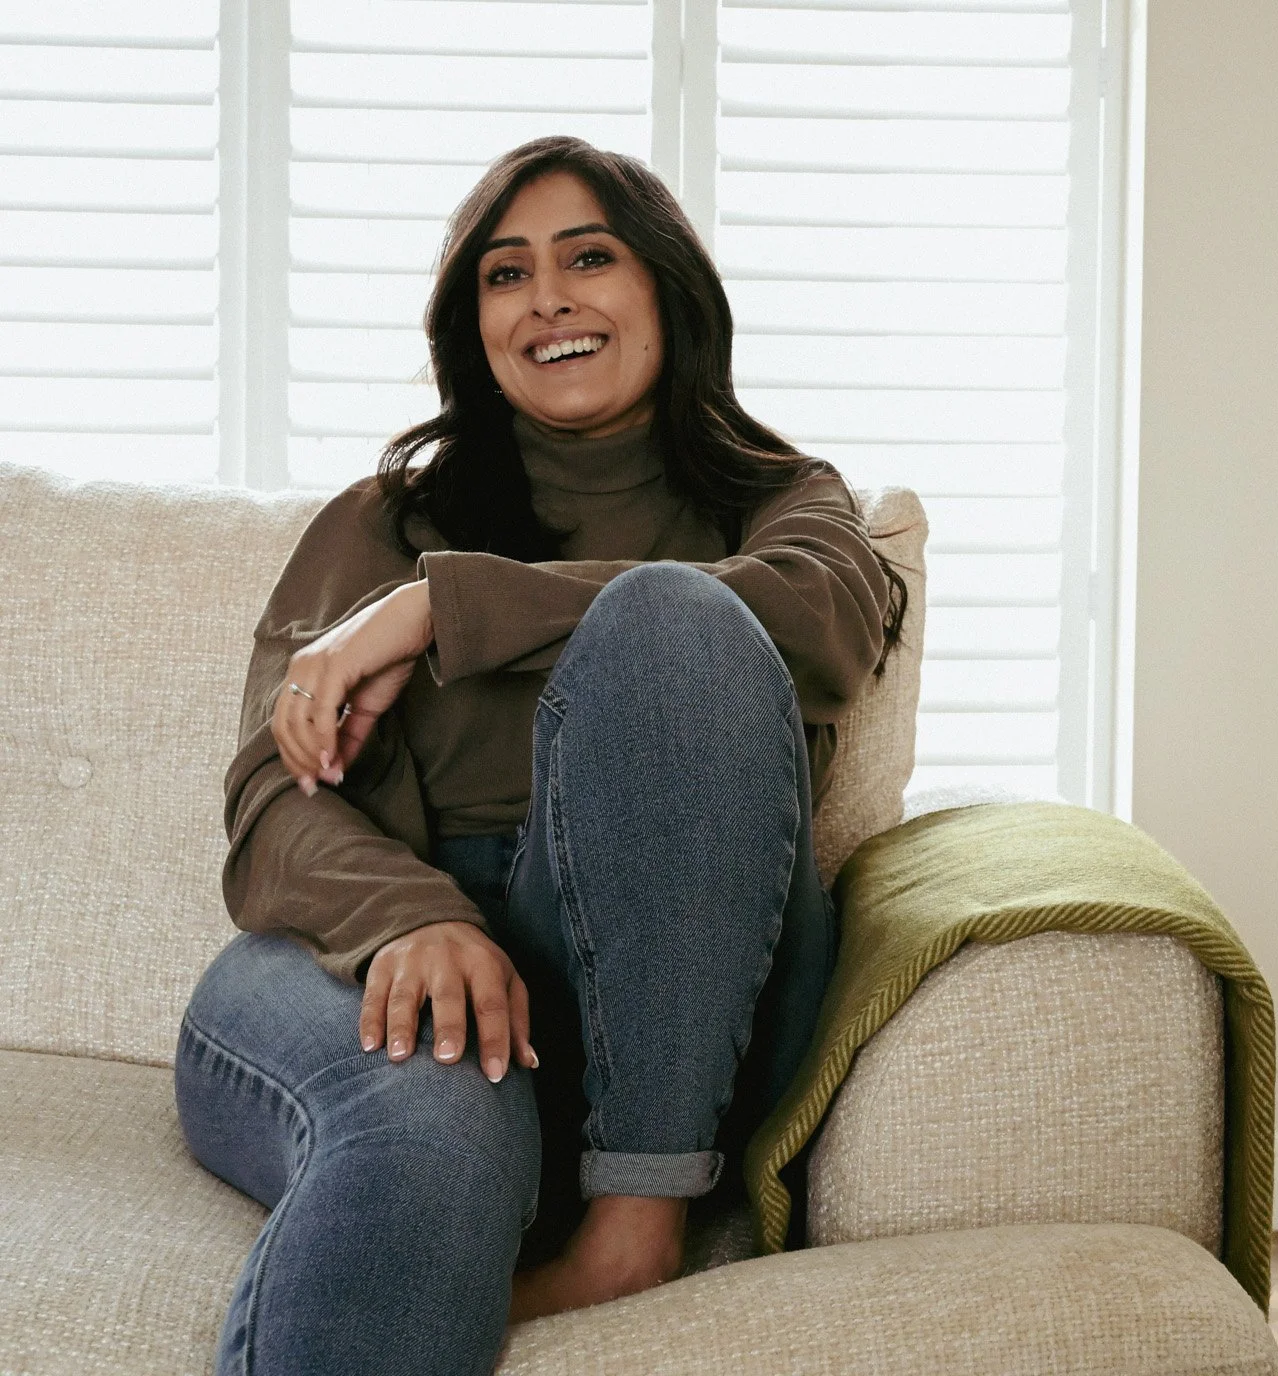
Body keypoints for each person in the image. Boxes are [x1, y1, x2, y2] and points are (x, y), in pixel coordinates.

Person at [172, 135, 904, 1376]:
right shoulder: (382, 519)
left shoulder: (784, 501)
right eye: (505, 274)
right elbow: (270, 798)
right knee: (428, 1122)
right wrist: (412, 919)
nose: (548, 296)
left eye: (590, 257)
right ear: (475, 325)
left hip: (673, 1005)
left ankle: (635, 1213)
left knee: (677, 623)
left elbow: (825, 626)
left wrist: (443, 609)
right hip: (381, 964)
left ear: (667, 287)